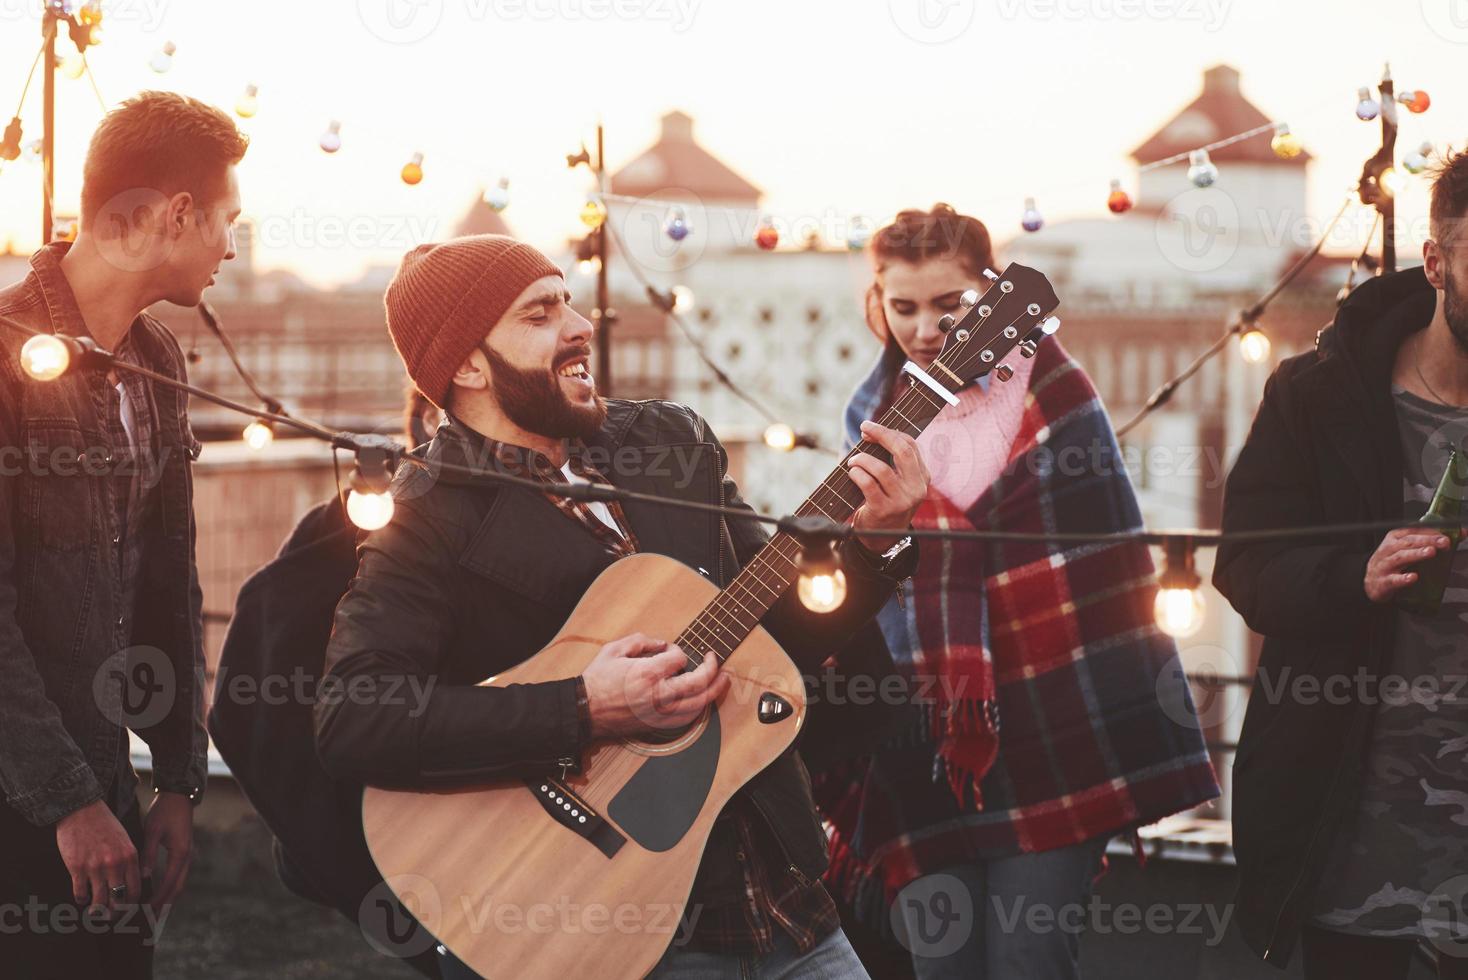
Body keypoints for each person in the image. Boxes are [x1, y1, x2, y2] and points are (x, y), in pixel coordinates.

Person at [313, 233, 929, 978]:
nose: (578, 326)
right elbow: (355, 716)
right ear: (469, 364)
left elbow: (768, 638)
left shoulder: (667, 445)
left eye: (568, 301)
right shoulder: (427, 516)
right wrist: (584, 706)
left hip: (782, 900)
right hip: (622, 927)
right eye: (540, 315)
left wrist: (872, 548)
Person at [811, 204, 1220, 980]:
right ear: (878, 304)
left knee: (1029, 958)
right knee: (945, 964)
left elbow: (1106, 567)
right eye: (904, 307)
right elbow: (869, 582)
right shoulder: (870, 417)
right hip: (921, 745)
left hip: (1059, 724)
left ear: (992, 293)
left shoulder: (1056, 395)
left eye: (949, 305)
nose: (925, 328)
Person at [0, 91, 245, 978]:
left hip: (110, 793)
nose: (229, 247)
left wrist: (177, 778)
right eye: (227, 222)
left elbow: (168, 583)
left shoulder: (156, 360)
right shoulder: (5, 355)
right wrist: (67, 804)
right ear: (176, 215)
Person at [1215, 152, 1468, 979]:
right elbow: (1246, 568)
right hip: (1357, 848)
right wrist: (1354, 576)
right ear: (1436, 262)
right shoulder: (1318, 396)